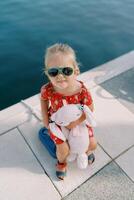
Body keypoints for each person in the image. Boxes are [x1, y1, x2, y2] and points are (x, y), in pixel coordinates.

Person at [39, 43, 97, 180]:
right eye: (53, 72)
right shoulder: (48, 90)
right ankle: (61, 162)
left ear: (76, 71)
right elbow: (43, 100)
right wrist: (46, 121)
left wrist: (75, 122)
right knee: (63, 149)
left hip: (79, 120)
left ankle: (85, 150)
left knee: (93, 144)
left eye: (66, 71)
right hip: (58, 122)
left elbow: (90, 109)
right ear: (47, 74)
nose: (60, 76)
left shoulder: (81, 91)